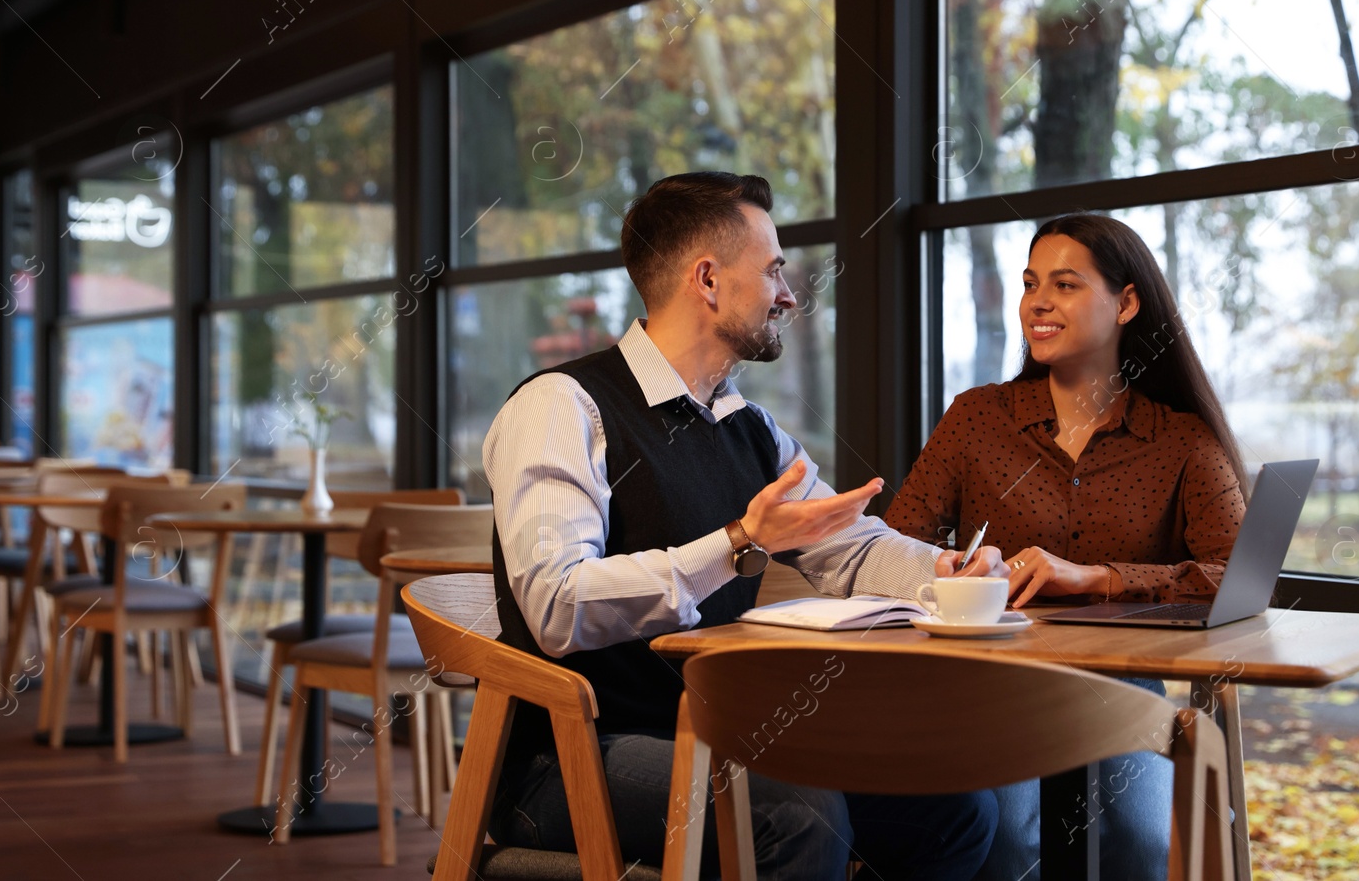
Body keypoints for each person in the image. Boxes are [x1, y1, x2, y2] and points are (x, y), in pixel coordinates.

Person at [484, 171, 1004, 880]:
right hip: (569, 757)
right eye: (774, 270)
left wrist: (946, 573)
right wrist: (735, 544)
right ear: (708, 279)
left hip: (714, 732)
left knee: (955, 806)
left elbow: (849, 546)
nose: (789, 294)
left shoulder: (748, 429)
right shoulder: (563, 405)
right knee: (797, 809)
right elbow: (556, 604)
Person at [884, 213, 1248, 881]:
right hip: (990, 684)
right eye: (1029, 284)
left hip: (1122, 685)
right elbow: (894, 544)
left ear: (1127, 302)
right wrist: (956, 569)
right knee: (1004, 843)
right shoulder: (975, 418)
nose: (1038, 302)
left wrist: (1097, 577)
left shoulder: (1181, 439)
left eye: (1066, 284)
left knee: (1141, 842)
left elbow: (1240, 577)